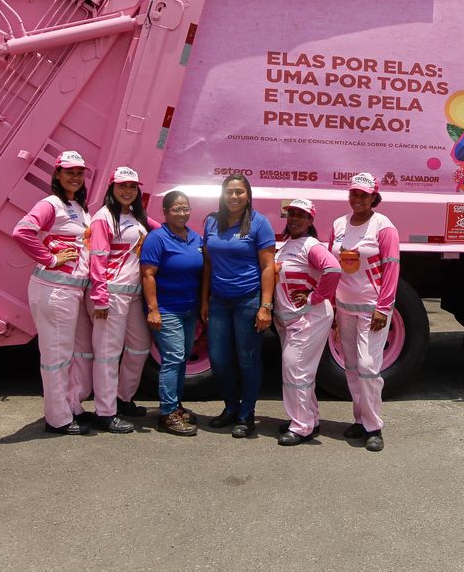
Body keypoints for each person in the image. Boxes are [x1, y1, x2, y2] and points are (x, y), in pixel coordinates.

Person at [12, 150, 93, 435]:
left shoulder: (79, 207)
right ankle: (58, 419)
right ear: (57, 174)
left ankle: (72, 406)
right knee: (56, 356)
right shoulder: (50, 204)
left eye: (79, 172)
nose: (75, 176)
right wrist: (50, 259)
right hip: (54, 291)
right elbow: (22, 231)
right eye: (69, 171)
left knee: (76, 354)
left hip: (73, 293)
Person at [200, 174, 276, 438]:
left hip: (248, 299)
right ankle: (231, 407)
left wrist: (265, 306)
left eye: (239, 192)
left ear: (247, 195)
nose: (234, 197)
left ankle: (247, 414)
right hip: (219, 301)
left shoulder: (259, 223)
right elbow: (208, 264)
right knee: (219, 359)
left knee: (248, 359)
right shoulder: (211, 222)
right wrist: (204, 299)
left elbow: (268, 267)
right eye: (229, 192)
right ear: (222, 194)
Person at [84, 166, 156, 434]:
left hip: (132, 295)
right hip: (110, 295)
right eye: (122, 186)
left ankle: (122, 397)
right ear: (111, 188)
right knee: (107, 355)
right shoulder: (104, 218)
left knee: (139, 347)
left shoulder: (136, 217)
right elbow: (98, 258)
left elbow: (158, 231)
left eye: (132, 187)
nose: (127, 191)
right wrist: (100, 297)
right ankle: (105, 412)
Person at [330, 172, 399, 453]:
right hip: (345, 307)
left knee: (369, 368)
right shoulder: (337, 224)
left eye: (363, 194)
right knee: (351, 366)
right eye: (353, 193)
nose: (357, 199)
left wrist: (384, 308)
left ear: (374, 198)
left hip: (373, 309)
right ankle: (360, 419)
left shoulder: (383, 226)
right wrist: (333, 308)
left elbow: (392, 268)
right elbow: (331, 266)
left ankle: (374, 427)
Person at [274, 198, 342, 446]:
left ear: (311, 220)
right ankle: (309, 419)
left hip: (309, 318)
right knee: (300, 371)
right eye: (291, 214)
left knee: (295, 370)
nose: (294, 219)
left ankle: (301, 427)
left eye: (301, 215)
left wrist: (315, 297)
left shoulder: (311, 245)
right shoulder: (287, 245)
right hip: (290, 320)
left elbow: (333, 269)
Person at [141, 191, 205, 436]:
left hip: (189, 309)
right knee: (173, 358)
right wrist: (153, 309)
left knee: (182, 359)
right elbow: (148, 274)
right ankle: (167, 413)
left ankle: (175, 405)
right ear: (165, 213)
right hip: (166, 310)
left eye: (185, 208)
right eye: (176, 209)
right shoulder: (157, 238)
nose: (182, 213)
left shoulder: (194, 238)